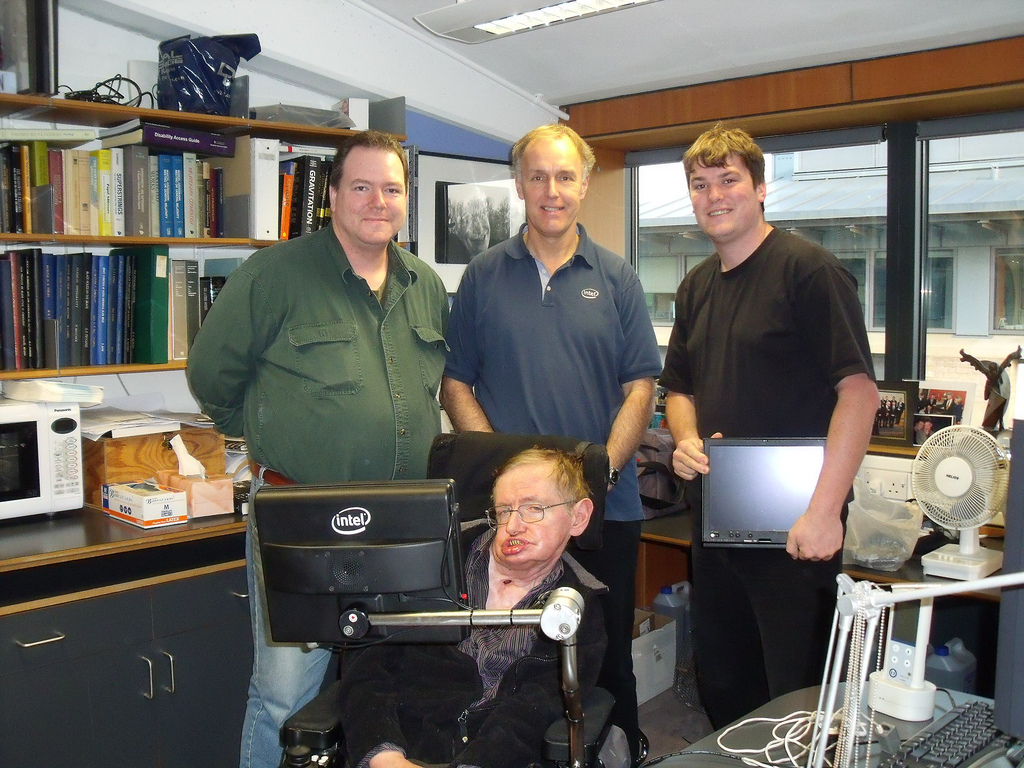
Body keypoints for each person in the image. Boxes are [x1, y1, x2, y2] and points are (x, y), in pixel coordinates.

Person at [186, 130, 449, 768]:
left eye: (392, 189)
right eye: (361, 187)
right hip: (301, 517)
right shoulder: (274, 275)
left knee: (394, 688)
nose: (378, 201)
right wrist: (266, 435)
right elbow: (211, 376)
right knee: (284, 695)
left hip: (402, 523)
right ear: (332, 196)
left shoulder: (424, 283)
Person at [440, 123, 662, 764]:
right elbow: (455, 384)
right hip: (508, 512)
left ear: (584, 184)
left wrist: (599, 475)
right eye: (537, 176)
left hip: (603, 507)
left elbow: (641, 388)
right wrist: (506, 478)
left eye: (565, 176)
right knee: (505, 654)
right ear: (519, 184)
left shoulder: (617, 278)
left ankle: (619, 751)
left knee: (605, 653)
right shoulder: (483, 276)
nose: (552, 190)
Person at [660, 124, 879, 728]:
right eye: (700, 184)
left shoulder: (809, 271)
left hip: (796, 529)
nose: (714, 195)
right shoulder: (695, 286)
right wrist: (685, 439)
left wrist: (824, 512)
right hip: (718, 520)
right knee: (726, 684)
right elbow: (679, 390)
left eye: (728, 179)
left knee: (799, 698)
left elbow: (859, 394)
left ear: (760, 188)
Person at [337, 448, 608, 768]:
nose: (513, 525)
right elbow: (367, 662)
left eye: (533, 508)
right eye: (504, 510)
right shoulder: (433, 562)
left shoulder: (578, 608)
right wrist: (383, 755)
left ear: (578, 517)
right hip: (405, 744)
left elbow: (536, 709)